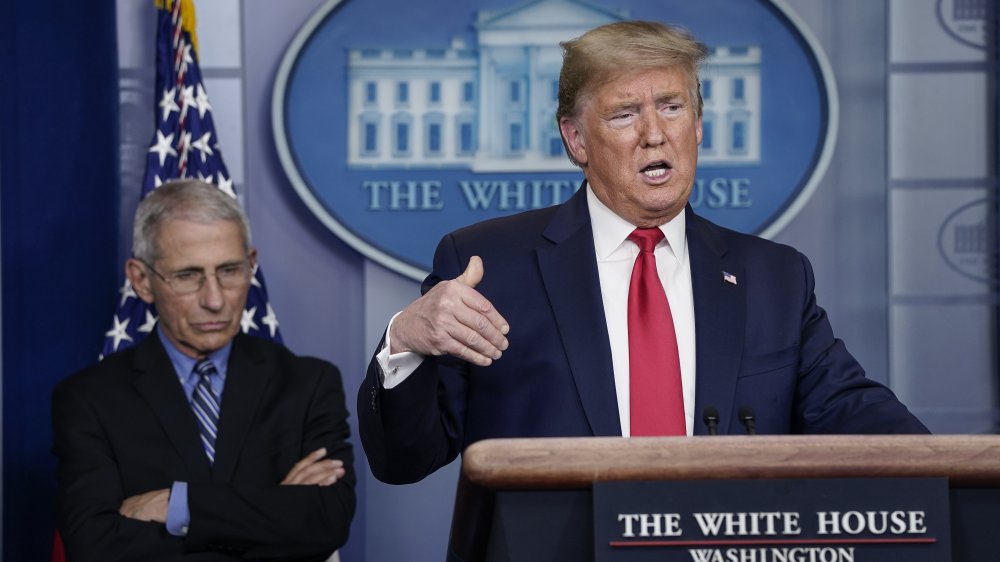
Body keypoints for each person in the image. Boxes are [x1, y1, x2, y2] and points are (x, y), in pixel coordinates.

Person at [358, 20, 928, 486]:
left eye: (672, 107)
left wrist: (966, 473)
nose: (655, 134)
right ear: (576, 140)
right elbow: (404, 459)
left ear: (699, 125)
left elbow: (857, 418)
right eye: (625, 113)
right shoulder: (489, 265)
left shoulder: (774, 278)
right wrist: (404, 341)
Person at [52, 179, 355, 561]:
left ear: (252, 265)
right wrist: (274, 514)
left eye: (230, 270)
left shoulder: (309, 384)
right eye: (188, 276)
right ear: (142, 280)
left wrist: (179, 505)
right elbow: (95, 547)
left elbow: (326, 523)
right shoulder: (88, 399)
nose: (214, 300)